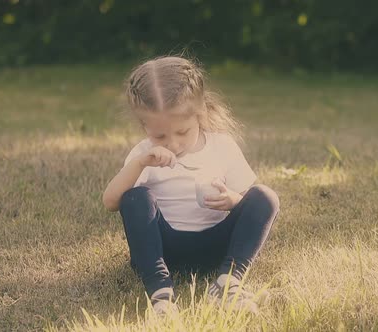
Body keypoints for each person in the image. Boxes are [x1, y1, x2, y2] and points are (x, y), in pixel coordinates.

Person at [102, 56, 280, 315]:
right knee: (135, 197)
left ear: (200, 114)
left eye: (182, 132)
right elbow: (110, 202)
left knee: (265, 197)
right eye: (160, 136)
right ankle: (161, 294)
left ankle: (228, 282)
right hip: (164, 249)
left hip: (217, 245)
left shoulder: (222, 146)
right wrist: (140, 165)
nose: (173, 144)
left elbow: (247, 208)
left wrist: (233, 200)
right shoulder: (144, 155)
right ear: (144, 125)